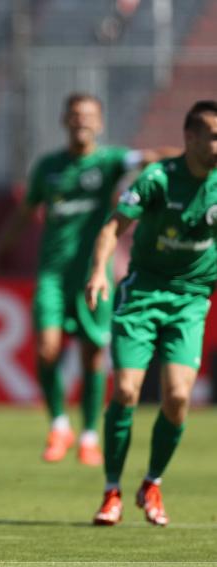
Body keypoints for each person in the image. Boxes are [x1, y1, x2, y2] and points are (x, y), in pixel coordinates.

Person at [0, 94, 173, 465]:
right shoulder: (49, 167)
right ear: (64, 121)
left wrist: (187, 160)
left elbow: (147, 157)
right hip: (52, 275)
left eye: (88, 116)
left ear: (99, 123)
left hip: (93, 276)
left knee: (92, 356)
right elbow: (23, 215)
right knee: (47, 349)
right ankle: (59, 425)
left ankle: (88, 435)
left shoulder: (111, 161)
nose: (81, 122)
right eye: (75, 116)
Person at [87, 100, 217, 526]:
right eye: (212, 136)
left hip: (192, 298)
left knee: (178, 396)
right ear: (191, 138)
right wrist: (99, 274)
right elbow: (112, 226)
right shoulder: (158, 178)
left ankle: (152, 482)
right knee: (126, 391)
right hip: (142, 291)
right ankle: (111, 491)